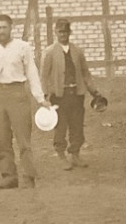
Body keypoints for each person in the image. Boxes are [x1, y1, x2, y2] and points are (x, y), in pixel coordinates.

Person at [0, 13, 52, 188]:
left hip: (17, 94)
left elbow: (32, 73)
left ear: (11, 28)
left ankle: (29, 176)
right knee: (3, 139)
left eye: (5, 27)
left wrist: (40, 98)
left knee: (23, 138)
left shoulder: (23, 47)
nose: (2, 31)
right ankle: (9, 176)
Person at [40, 18, 103, 170]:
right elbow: (43, 76)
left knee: (77, 125)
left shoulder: (77, 51)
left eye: (66, 32)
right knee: (60, 126)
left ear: (70, 33)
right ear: (56, 32)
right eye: (60, 31)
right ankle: (61, 155)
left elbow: (85, 73)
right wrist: (45, 96)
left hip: (76, 94)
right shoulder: (49, 52)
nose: (63, 35)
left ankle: (75, 154)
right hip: (59, 96)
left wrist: (94, 91)